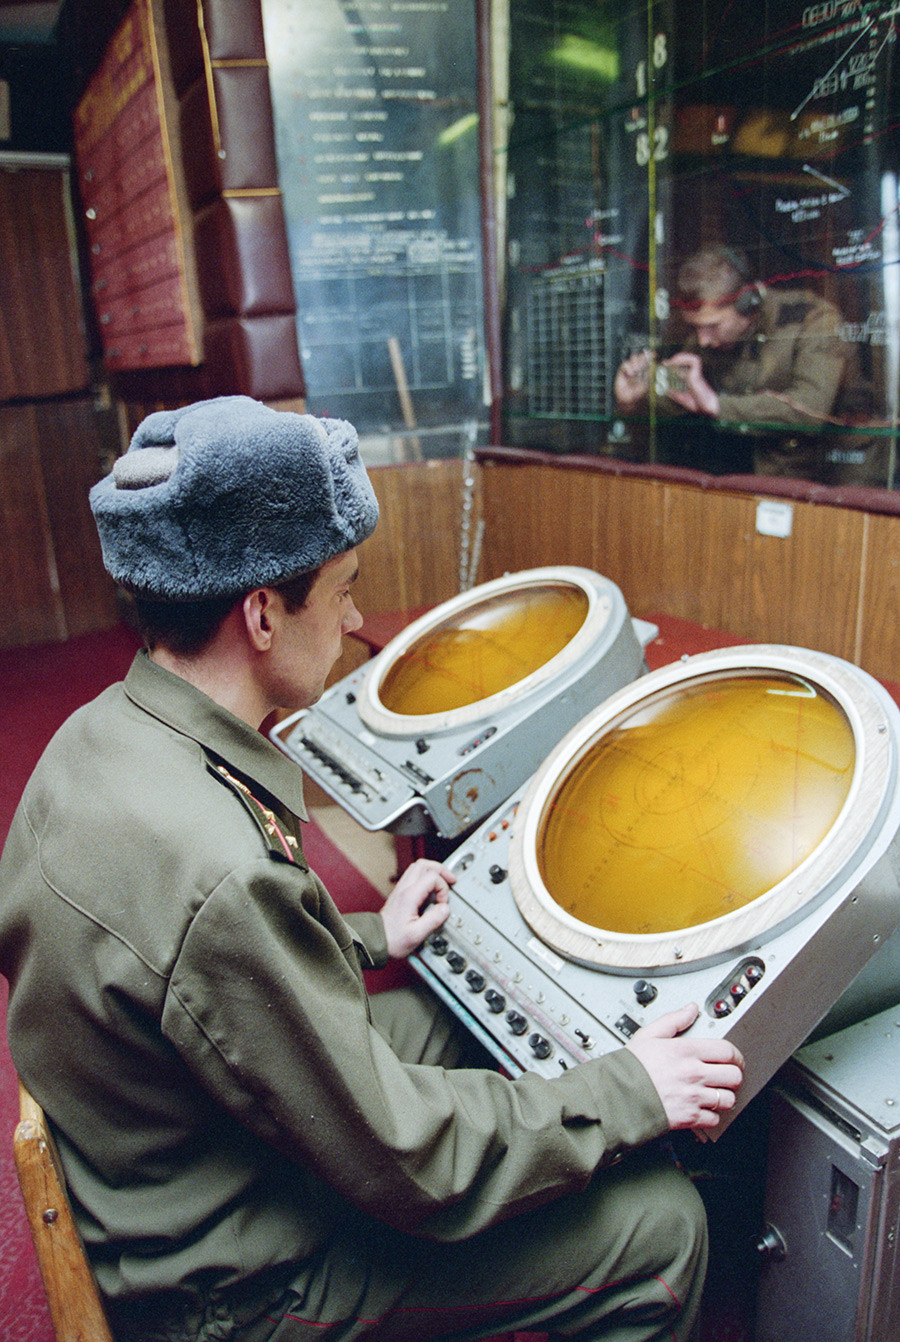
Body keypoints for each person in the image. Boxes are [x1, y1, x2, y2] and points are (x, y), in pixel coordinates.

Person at [0, 396, 744, 1342]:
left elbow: (179, 963)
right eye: (344, 588)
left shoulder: (93, 738)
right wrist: (632, 1089)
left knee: (442, 1015)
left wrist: (369, 935)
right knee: (662, 1224)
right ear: (262, 613)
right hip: (234, 1288)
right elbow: (408, 1164)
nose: (355, 622)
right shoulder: (220, 877)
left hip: (156, 1163)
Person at [614, 245, 885, 484]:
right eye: (695, 328)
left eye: (712, 326)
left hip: (832, 476)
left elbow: (810, 409)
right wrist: (637, 398)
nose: (703, 340)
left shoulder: (812, 319)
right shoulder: (705, 339)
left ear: (747, 303)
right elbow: (686, 395)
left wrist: (717, 405)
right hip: (756, 474)